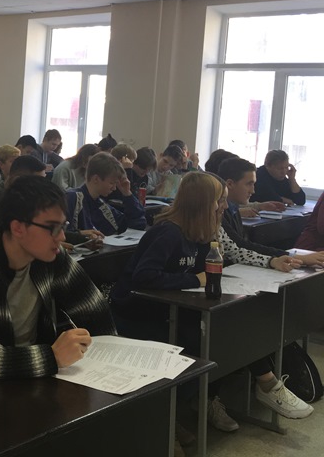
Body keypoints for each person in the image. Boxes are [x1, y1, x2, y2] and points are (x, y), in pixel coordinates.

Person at [111, 172, 314, 428]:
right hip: (137, 314)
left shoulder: (202, 233)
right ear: (201, 203)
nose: (224, 207)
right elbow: (144, 277)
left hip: (173, 307)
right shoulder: (167, 233)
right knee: (206, 341)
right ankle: (171, 420)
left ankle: (257, 387)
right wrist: (195, 279)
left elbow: (216, 263)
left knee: (230, 325)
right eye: (220, 201)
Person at [0, 175, 116, 385]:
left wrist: (114, 362)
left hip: (35, 380)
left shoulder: (52, 258)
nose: (61, 237)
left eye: (63, 226)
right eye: (52, 228)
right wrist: (50, 357)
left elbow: (95, 313)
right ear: (18, 228)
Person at [218, 158, 324, 267]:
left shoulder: (233, 208)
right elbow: (240, 246)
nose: (253, 191)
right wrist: (293, 257)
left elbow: (240, 248)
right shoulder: (219, 212)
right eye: (249, 184)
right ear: (229, 184)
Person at [64, 152, 146, 236]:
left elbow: (138, 224)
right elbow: (61, 233)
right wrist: (80, 235)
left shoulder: (101, 205)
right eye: (111, 183)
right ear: (96, 179)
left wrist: (127, 194)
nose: (114, 188)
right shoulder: (72, 198)